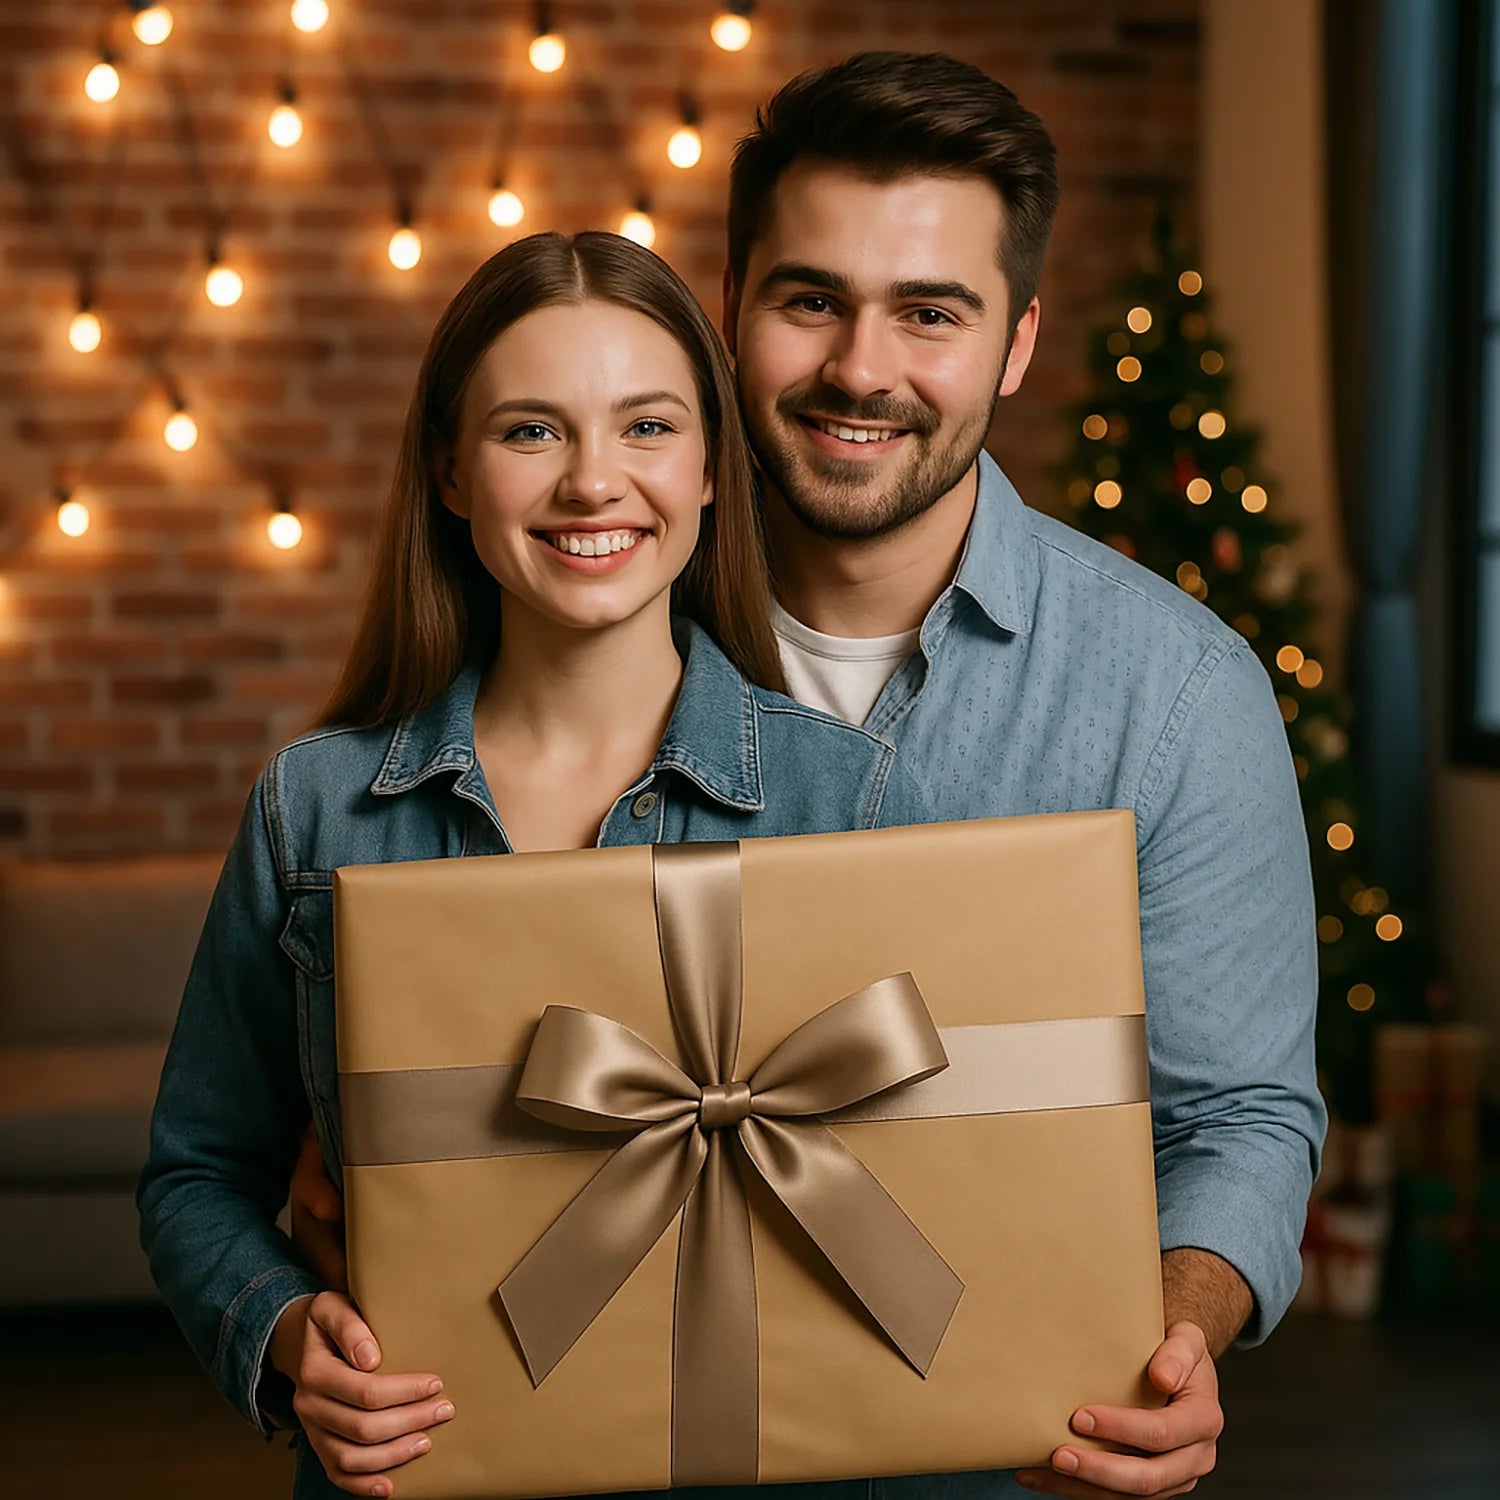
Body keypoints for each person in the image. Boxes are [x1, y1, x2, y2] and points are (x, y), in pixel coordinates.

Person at [290, 50, 1327, 1500]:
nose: (860, 369)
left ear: (1017, 344)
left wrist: (1165, 1343)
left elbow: (1243, 1118)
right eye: (810, 300)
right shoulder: (583, 591)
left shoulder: (1179, 693)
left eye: (931, 313)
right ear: (731, 311)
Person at [136, 229, 934, 1500]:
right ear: (451, 472)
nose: (593, 482)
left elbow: (936, 1185)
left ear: (713, 468)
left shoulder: (853, 798)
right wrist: (289, 1336)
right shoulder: (315, 809)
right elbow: (198, 1175)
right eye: (530, 432)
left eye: (648, 427)